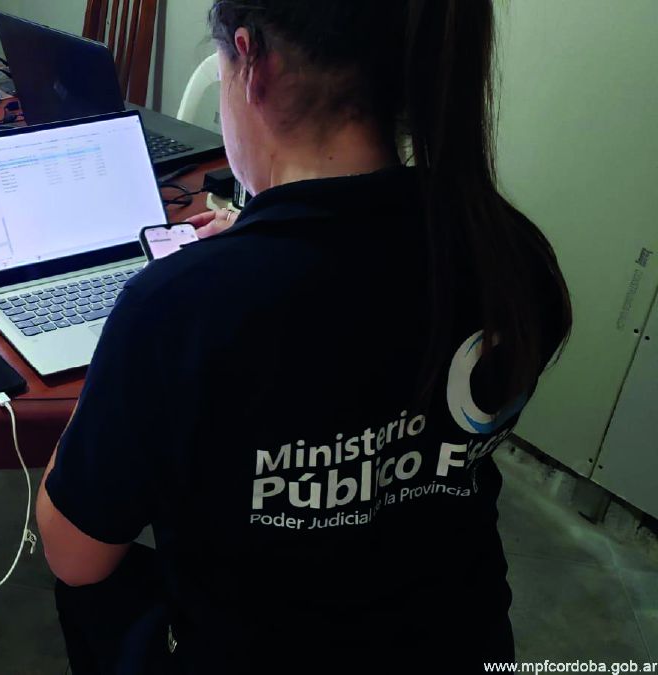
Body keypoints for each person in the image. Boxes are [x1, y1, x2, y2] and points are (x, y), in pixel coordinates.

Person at [37, 1, 572, 672]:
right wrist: (258, 245)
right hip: (461, 641)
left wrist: (124, 364)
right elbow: (360, 332)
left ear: (251, 61)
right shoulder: (513, 255)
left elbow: (74, 556)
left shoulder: (178, 309)